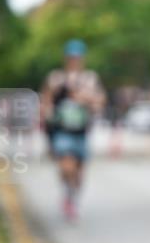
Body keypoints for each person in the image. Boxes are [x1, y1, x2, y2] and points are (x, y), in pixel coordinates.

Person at [40, 39, 106, 221]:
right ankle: (68, 195)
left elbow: (100, 100)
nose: (74, 61)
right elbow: (46, 101)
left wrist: (85, 99)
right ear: (66, 58)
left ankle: (71, 196)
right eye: (71, 57)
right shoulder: (55, 78)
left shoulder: (90, 78)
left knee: (79, 173)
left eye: (77, 57)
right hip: (62, 130)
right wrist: (48, 118)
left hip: (83, 131)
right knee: (66, 166)